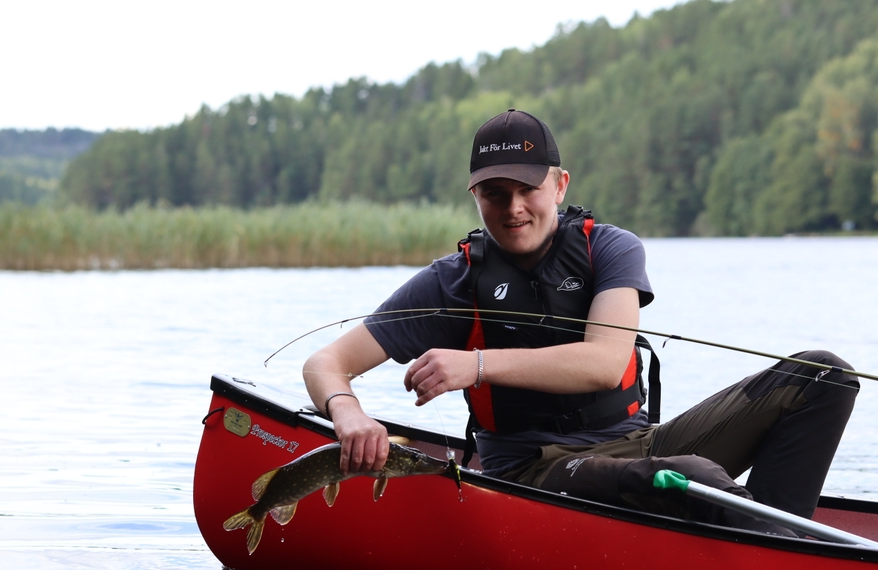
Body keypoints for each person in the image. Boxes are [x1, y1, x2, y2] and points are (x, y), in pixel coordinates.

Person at [303, 109, 859, 530]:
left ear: (560, 184)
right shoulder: (453, 280)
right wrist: (348, 415)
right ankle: (774, 559)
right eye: (495, 193)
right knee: (696, 480)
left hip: (640, 445)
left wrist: (474, 365)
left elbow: (604, 363)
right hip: (533, 473)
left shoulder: (610, 250)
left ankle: (785, 548)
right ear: (475, 196)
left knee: (824, 376)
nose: (514, 207)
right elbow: (326, 363)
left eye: (528, 189)